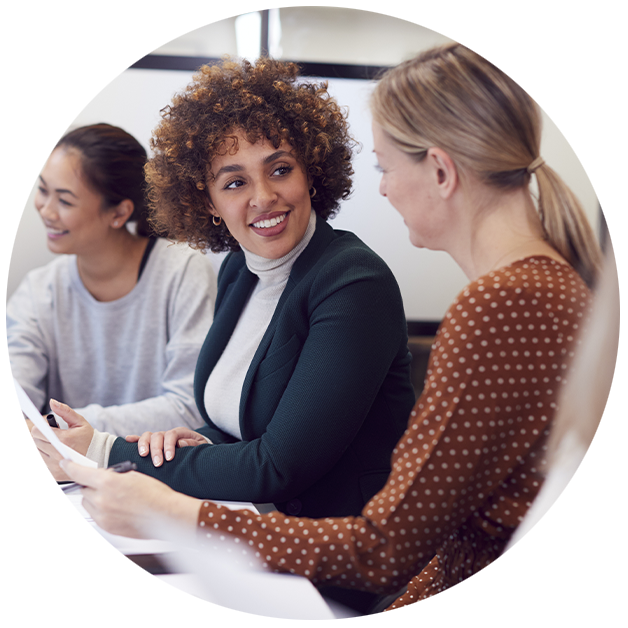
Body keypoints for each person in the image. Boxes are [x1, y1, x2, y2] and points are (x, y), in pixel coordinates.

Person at [47, 44, 602, 618]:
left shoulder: (501, 306)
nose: (382, 189)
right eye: (234, 182)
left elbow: (384, 548)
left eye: (385, 167)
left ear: (439, 170)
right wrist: (184, 455)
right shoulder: (530, 293)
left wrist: (174, 509)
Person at [31, 59, 415, 535]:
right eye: (234, 182)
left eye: (280, 169)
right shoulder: (239, 269)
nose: (263, 197)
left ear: (311, 173)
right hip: (252, 527)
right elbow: (244, 426)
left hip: (340, 556)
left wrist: (106, 452)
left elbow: (279, 465)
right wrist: (191, 444)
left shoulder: (353, 283)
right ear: (208, 202)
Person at [8, 123, 216, 437]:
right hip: (71, 470)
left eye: (64, 201)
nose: (46, 210)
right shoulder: (39, 291)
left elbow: (188, 406)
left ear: (119, 213)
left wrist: (64, 426)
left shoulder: (183, 271)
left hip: (157, 470)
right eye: (42, 190)